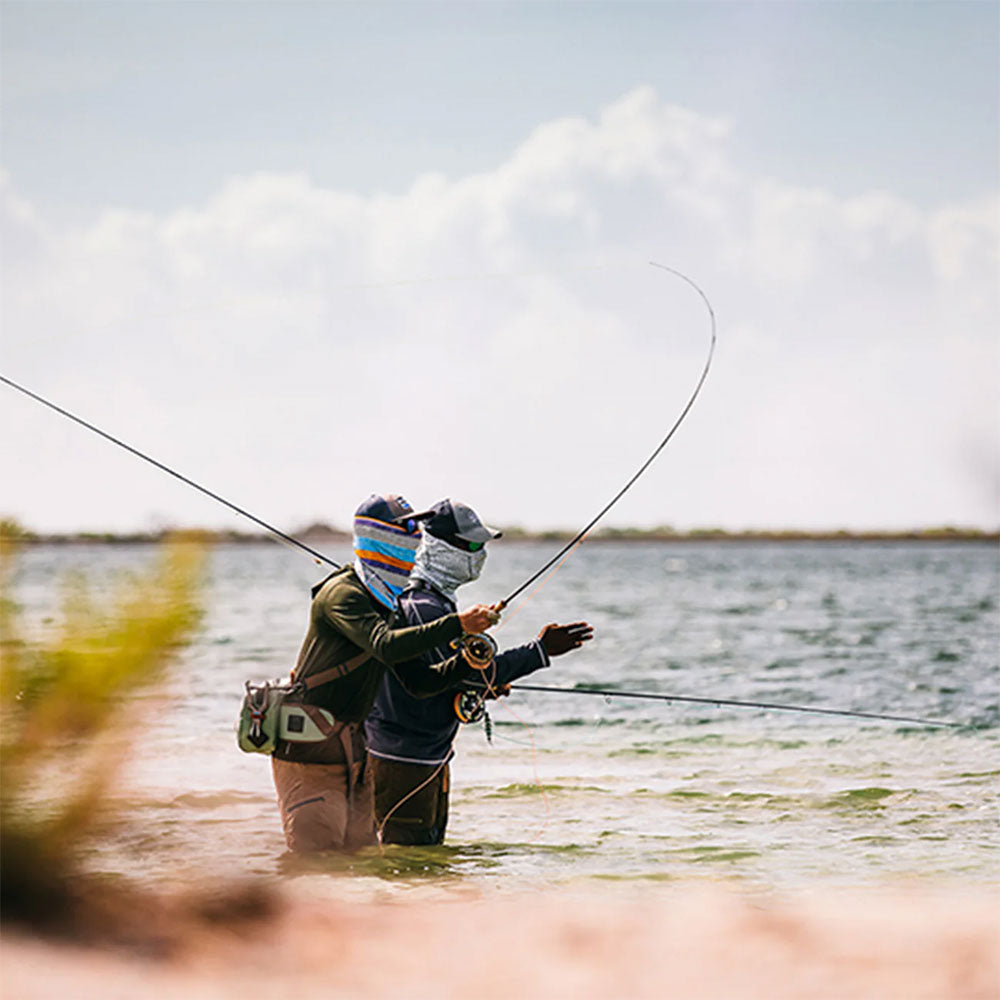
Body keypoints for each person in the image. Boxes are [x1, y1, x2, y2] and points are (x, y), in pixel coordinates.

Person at [271, 493, 500, 853]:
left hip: (355, 749)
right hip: (309, 747)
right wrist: (458, 624)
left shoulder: (386, 604)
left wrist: (469, 664)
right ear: (379, 538)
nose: (416, 541)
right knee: (316, 860)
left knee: (363, 861)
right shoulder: (341, 594)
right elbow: (386, 645)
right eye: (406, 531)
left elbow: (420, 682)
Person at [364, 498, 594, 845]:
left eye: (482, 545)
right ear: (439, 547)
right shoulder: (426, 609)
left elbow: (444, 677)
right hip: (405, 762)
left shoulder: (431, 602)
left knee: (420, 862)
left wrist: (480, 688)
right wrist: (541, 650)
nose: (479, 553)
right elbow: (470, 673)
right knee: (409, 863)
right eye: (471, 545)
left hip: (418, 757)